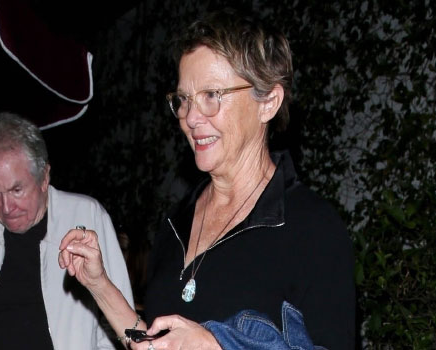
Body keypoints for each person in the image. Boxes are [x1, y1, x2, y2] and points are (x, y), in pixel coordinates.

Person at [58, 8, 355, 350]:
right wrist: (99, 285)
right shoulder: (176, 224)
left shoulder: (311, 228)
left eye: (212, 96)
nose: (191, 117)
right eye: (184, 99)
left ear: (268, 102)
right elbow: (157, 345)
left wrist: (219, 345)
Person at [0, 112, 133, 350]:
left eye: (17, 190)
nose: (6, 207)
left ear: (44, 177)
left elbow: (121, 320)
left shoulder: (86, 216)